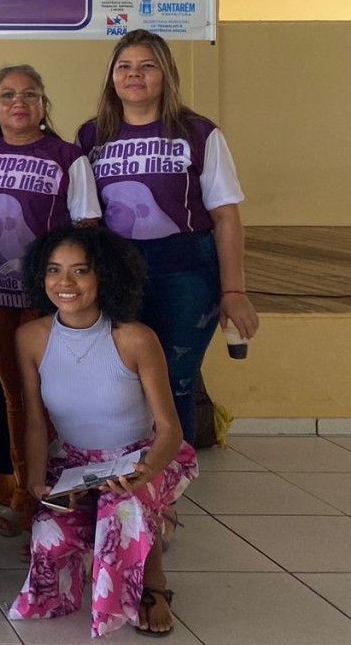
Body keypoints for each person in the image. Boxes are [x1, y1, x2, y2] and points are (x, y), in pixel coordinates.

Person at [9, 224, 196, 637]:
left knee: (121, 515)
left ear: (105, 276)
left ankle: (154, 583)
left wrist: (142, 473)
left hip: (139, 457)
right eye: (54, 270)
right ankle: (145, 527)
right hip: (74, 462)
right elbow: (36, 421)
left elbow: (169, 429)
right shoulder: (30, 338)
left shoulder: (136, 339)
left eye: (81, 271)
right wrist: (38, 485)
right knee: (50, 534)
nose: (65, 283)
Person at [77, 29, 259, 445]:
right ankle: (121, 486)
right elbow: (85, 218)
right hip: (117, 268)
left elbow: (226, 216)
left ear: (166, 75)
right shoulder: (91, 136)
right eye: (124, 66)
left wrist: (234, 289)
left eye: (147, 65)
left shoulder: (199, 133)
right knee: (120, 378)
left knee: (173, 382)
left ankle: (164, 491)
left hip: (186, 268)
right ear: (111, 77)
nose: (134, 74)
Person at [0, 64, 100, 537]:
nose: (18, 102)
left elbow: (87, 227)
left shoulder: (68, 156)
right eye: (6, 95)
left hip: (49, 301)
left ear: (44, 105)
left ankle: (69, 497)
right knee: (15, 399)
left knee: (53, 399)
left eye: (29, 94)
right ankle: (29, 495)